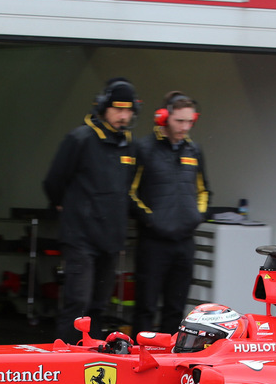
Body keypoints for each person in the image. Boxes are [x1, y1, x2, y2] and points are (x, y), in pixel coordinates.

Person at [44, 77, 139, 343]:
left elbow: (128, 187)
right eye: (117, 108)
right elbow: (53, 181)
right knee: (78, 303)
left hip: (110, 238)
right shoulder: (80, 139)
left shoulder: (128, 144)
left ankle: (92, 358)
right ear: (103, 107)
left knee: (99, 305)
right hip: (81, 237)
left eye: (128, 109)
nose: (123, 115)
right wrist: (62, 204)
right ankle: (62, 359)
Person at [129, 91, 210, 334]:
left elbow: (204, 190)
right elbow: (129, 193)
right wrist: (152, 221)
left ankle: (167, 362)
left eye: (189, 121)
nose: (185, 127)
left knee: (176, 309)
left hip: (184, 242)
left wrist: (196, 218)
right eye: (179, 121)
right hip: (153, 242)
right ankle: (137, 361)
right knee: (145, 307)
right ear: (163, 118)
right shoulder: (143, 148)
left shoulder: (194, 151)